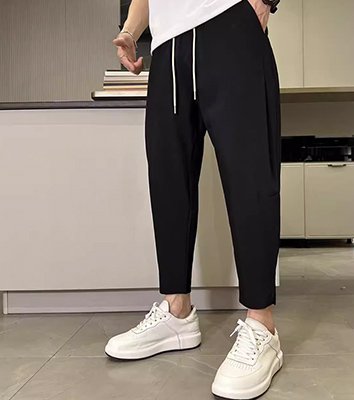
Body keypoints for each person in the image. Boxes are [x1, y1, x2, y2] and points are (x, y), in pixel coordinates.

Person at [105, 0, 282, 398]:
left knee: (250, 175)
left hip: (228, 21)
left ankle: (262, 324)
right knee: (168, 179)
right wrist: (131, 31)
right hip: (167, 45)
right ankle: (177, 311)